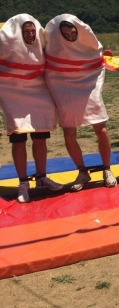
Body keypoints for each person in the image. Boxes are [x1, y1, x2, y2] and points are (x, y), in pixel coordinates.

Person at [44, 14, 117, 191]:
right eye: (65, 31)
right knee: (69, 133)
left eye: (71, 30)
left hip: (88, 87)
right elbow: (49, 67)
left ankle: (107, 169)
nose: (68, 34)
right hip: (65, 90)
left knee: (102, 129)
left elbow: (98, 59)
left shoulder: (88, 44)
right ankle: (82, 171)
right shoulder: (54, 46)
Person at [0, 14, 62, 203]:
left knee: (40, 138)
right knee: (18, 139)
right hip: (13, 96)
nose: (30, 34)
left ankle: (41, 178)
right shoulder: (5, 48)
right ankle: (23, 183)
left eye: (32, 31)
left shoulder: (41, 47)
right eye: (26, 31)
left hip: (38, 94)